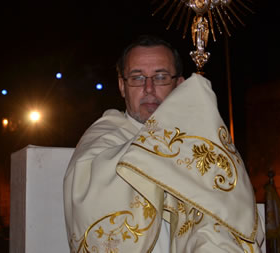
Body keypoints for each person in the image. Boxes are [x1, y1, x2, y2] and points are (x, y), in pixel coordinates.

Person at [63, 35, 264, 252]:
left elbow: (225, 215)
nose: (149, 88)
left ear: (179, 85)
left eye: (160, 77)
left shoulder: (200, 143)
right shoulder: (103, 138)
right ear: (122, 86)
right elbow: (91, 201)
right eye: (137, 78)